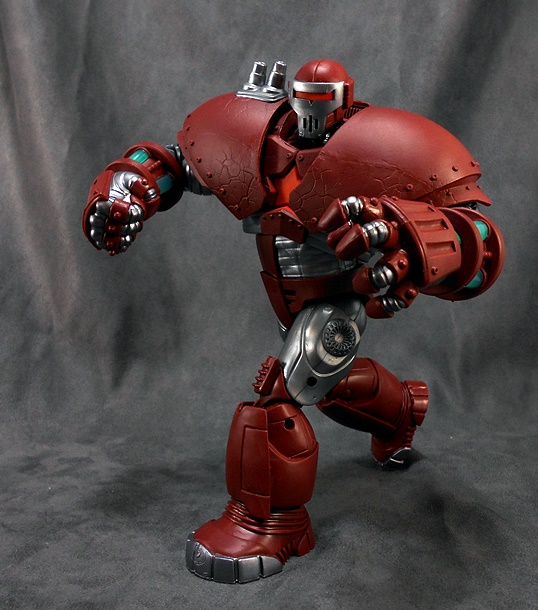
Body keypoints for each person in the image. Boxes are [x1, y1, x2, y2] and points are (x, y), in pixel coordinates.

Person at [82, 59, 505, 583]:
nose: (311, 115)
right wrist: (127, 189)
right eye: (305, 99)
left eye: (324, 102)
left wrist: (420, 239)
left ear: (344, 100)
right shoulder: (255, 135)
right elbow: (176, 162)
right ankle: (400, 411)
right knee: (331, 388)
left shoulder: (388, 146)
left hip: (338, 299)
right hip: (285, 295)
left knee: (278, 399)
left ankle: (269, 522)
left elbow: (479, 240)